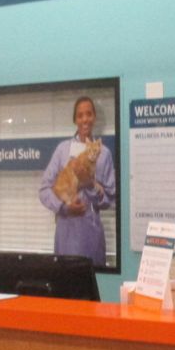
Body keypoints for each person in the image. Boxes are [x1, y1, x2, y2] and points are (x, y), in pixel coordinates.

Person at [38, 96, 116, 267]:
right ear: (75, 120)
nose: (85, 119)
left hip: (91, 237)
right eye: (80, 115)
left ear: (94, 117)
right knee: (64, 289)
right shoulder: (62, 150)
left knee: (91, 289)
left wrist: (89, 185)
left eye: (89, 114)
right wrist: (63, 208)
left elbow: (109, 199)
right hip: (66, 234)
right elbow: (44, 190)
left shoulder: (103, 154)